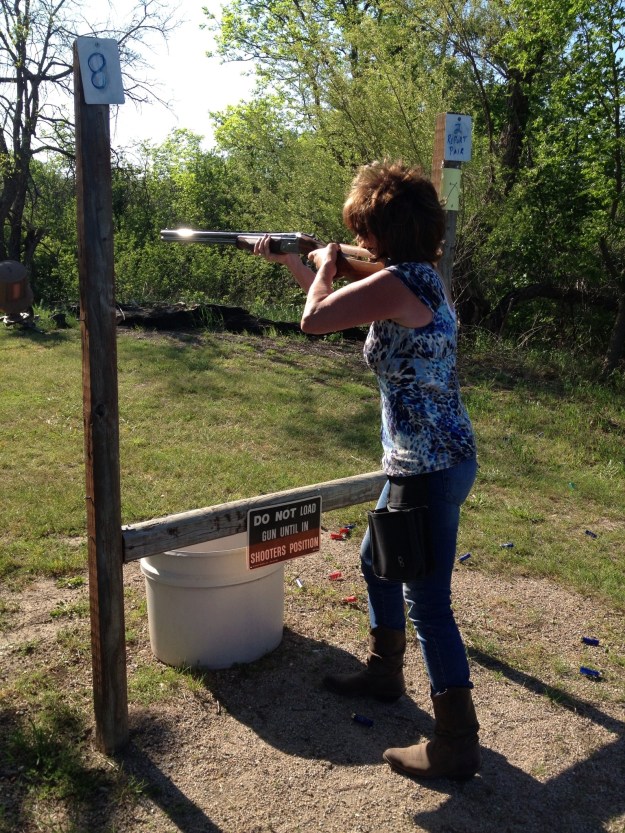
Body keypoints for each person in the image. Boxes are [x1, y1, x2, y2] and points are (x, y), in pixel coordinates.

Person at [253, 160, 480, 781]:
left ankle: (457, 739)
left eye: (364, 232)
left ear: (380, 231)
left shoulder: (399, 283)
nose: (362, 241)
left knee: (428, 602)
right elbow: (339, 298)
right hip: (425, 459)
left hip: (427, 467)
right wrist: (299, 263)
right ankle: (384, 672)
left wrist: (322, 264)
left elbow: (315, 318)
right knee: (375, 560)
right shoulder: (416, 277)